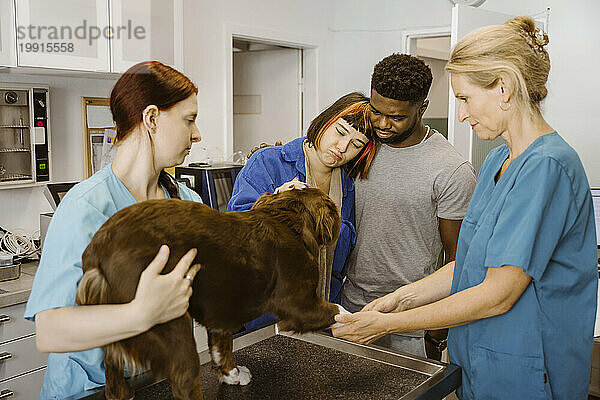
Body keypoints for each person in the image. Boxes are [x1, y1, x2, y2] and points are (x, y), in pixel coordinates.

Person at [333, 17, 598, 400]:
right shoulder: (496, 162)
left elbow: (498, 293)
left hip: (526, 371)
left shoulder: (548, 167)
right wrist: (398, 300)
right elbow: (469, 263)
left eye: (465, 98)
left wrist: (387, 325)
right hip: (478, 364)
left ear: (503, 88)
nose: (460, 115)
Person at [25, 61, 204, 400]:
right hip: (88, 391)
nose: (197, 134)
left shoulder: (187, 202)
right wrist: (139, 314)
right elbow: (49, 331)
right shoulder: (85, 207)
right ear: (151, 119)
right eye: (189, 120)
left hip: (157, 384)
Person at [339, 54, 476, 358]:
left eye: (397, 117)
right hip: (350, 308)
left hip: (411, 324)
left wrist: (437, 334)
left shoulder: (451, 170)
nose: (382, 124)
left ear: (422, 108)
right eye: (376, 111)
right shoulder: (360, 146)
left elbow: (458, 260)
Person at [227, 92, 376, 331]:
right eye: (339, 132)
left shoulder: (348, 185)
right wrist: (275, 203)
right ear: (325, 121)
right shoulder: (268, 163)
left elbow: (340, 258)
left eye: (356, 145)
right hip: (261, 316)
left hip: (320, 315)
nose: (342, 148)